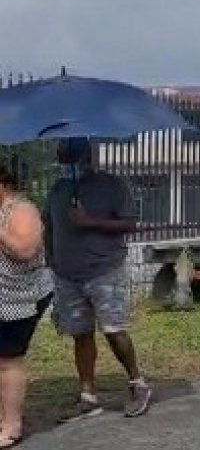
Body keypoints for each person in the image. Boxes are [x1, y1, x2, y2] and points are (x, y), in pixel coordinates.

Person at [43, 138, 152, 421]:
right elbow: (49, 226)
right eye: (61, 159)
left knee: (113, 329)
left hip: (104, 269)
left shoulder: (113, 185)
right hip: (68, 274)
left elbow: (130, 223)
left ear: (86, 158)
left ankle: (137, 383)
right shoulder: (58, 189)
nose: (65, 165)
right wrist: (51, 259)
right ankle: (88, 395)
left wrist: (89, 222)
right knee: (81, 333)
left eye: (70, 159)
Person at [0, 165, 53, 446]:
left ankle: (12, 427)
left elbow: (25, 250)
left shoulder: (22, 210)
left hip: (19, 299)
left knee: (7, 361)